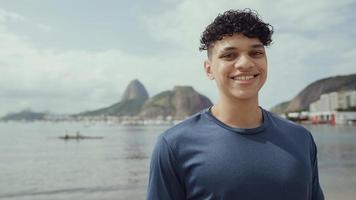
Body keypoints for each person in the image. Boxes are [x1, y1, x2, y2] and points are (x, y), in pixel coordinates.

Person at [147, 9, 324, 200]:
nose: (245, 63)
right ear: (209, 69)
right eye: (229, 55)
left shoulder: (301, 139)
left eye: (256, 53)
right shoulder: (174, 145)